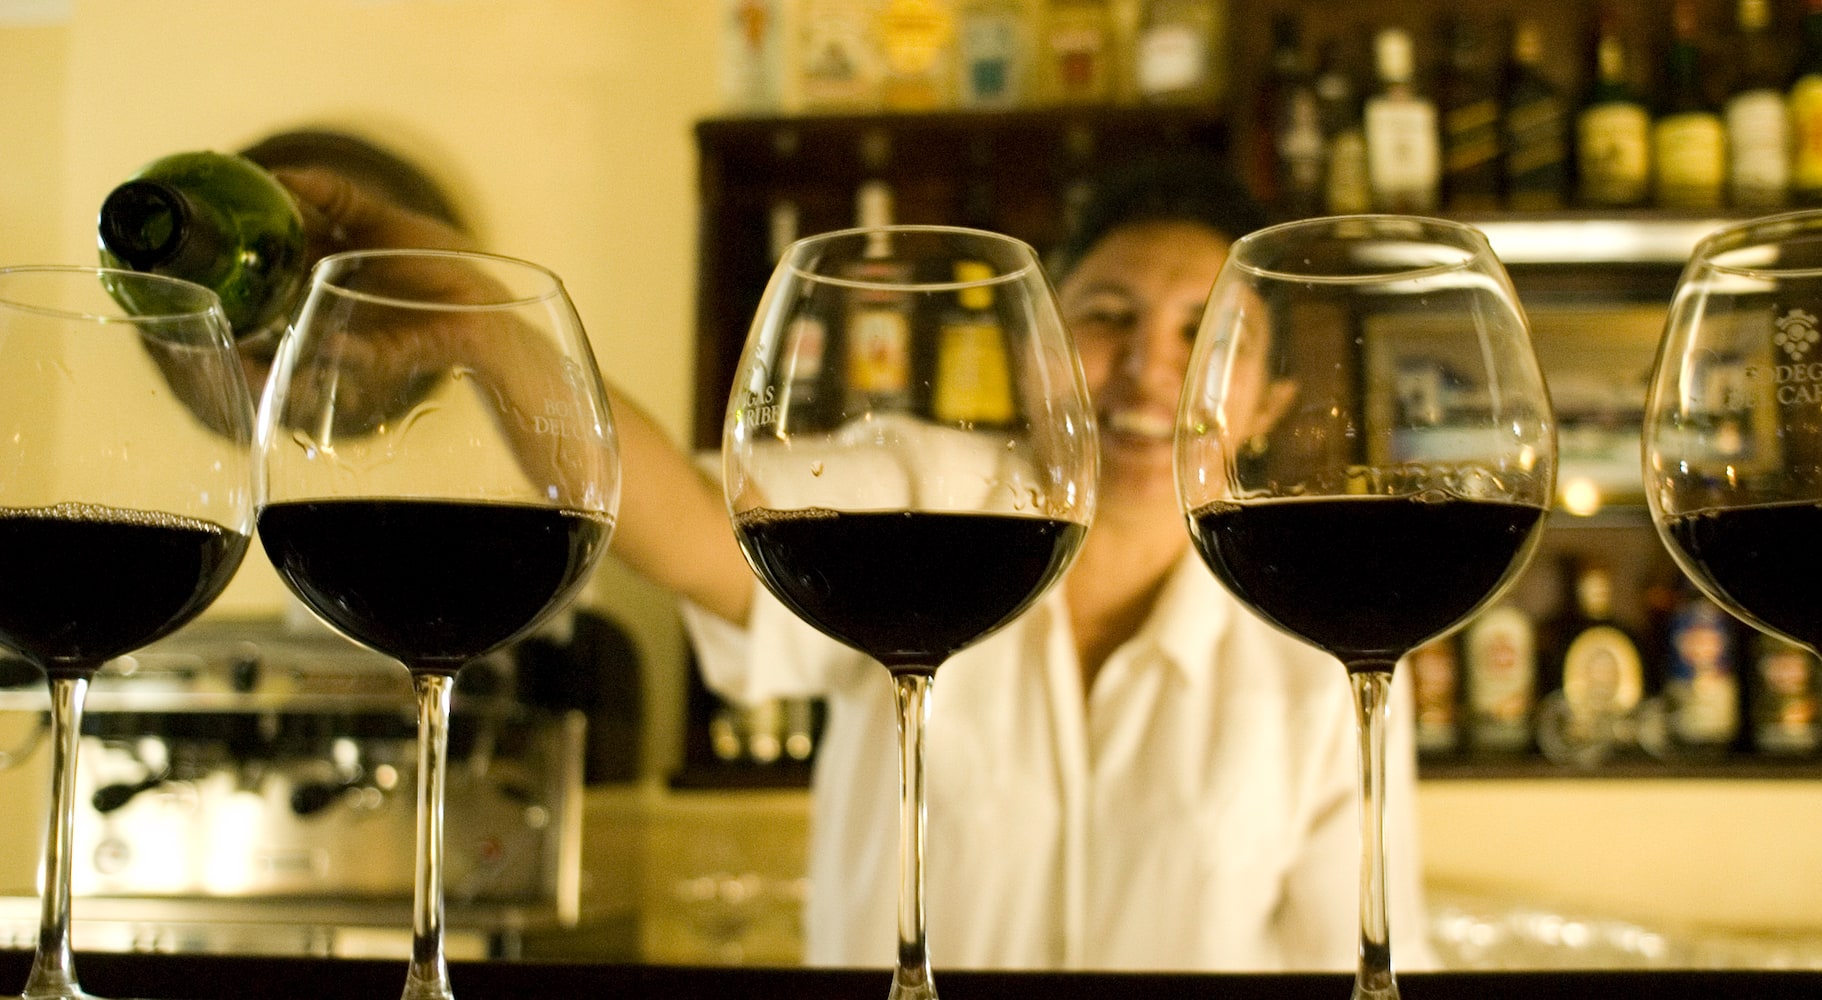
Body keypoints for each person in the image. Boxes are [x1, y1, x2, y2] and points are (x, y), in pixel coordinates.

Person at [267, 149, 1432, 971]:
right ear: (1033, 351)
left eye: (1199, 335)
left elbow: (1357, 950)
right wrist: (479, 315)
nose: (1146, 371)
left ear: (1267, 395)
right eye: (1107, 314)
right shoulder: (927, 506)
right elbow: (680, 519)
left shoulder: (1313, 642)